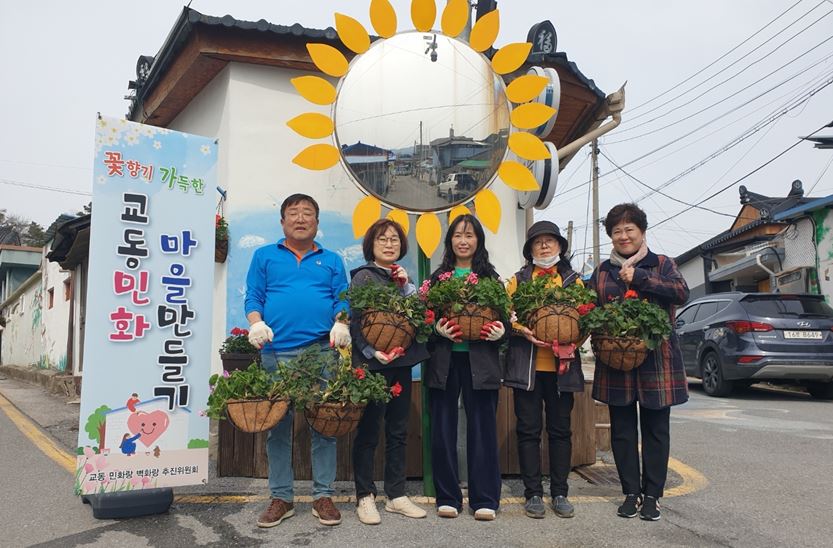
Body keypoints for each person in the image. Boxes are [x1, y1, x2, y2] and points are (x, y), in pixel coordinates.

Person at [244, 193, 351, 529]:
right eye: (294, 213)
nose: (301, 218)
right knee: (278, 427)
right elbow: (253, 295)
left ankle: (323, 496)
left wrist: (342, 322)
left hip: (322, 350)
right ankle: (281, 498)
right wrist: (255, 322)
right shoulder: (264, 256)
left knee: (326, 425)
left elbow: (342, 297)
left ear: (317, 223)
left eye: (308, 213)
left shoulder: (331, 259)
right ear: (282, 222)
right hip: (276, 352)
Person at [589, 203, 689, 522]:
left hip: (657, 361)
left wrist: (641, 277)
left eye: (629, 229)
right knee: (622, 430)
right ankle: (631, 492)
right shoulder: (603, 271)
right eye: (617, 231)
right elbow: (589, 308)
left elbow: (681, 292)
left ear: (642, 232)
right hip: (616, 359)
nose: (623, 236)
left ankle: (653, 496)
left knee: (656, 429)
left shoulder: (662, 264)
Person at [349, 219, 430, 525]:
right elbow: (356, 323)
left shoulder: (402, 279)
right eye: (382, 239)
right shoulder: (363, 277)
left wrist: (407, 286)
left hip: (400, 362)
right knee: (369, 431)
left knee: (397, 431)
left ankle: (396, 495)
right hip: (373, 364)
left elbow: (417, 317)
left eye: (394, 239)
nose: (389, 244)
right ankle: (365, 496)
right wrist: (371, 352)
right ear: (371, 244)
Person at [426, 214, 506, 521]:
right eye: (458, 235)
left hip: (481, 360)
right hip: (445, 360)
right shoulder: (438, 279)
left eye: (470, 235)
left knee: (483, 428)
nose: (463, 240)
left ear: (479, 241)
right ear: (449, 242)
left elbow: (504, 319)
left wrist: (502, 333)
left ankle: (485, 498)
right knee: (443, 428)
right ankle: (448, 496)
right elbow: (424, 319)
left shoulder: (491, 279)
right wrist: (436, 328)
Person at [505, 221, 585, 519]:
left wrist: (574, 340)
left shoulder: (573, 281)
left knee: (560, 430)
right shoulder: (518, 281)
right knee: (528, 430)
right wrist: (523, 330)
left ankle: (561, 492)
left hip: (562, 368)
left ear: (560, 247)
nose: (544, 246)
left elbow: (585, 318)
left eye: (550, 241)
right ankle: (533, 493)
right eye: (537, 242)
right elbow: (505, 315)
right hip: (528, 368)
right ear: (530, 249)